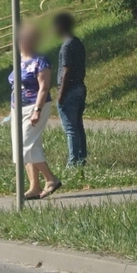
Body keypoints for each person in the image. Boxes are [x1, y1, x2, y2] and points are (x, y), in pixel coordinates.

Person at [11, 22, 60, 199]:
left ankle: (51, 179)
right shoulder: (19, 60)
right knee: (26, 147)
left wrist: (37, 110)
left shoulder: (41, 60)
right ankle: (34, 187)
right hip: (18, 108)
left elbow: (44, 87)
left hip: (35, 106)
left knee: (25, 146)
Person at [52, 11, 87, 170]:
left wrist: (61, 94)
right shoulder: (77, 42)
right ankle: (81, 158)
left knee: (70, 128)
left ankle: (73, 162)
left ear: (61, 26)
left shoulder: (66, 46)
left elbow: (66, 70)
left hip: (70, 89)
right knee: (78, 126)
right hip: (80, 87)